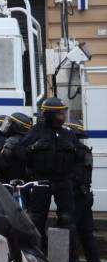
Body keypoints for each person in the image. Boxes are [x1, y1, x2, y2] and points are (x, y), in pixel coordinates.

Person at [19, 97, 81, 253]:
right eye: (60, 113)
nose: (63, 116)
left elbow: (81, 157)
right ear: (50, 115)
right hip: (41, 181)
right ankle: (39, 253)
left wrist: (73, 149)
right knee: (37, 218)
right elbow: (19, 153)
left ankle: (70, 258)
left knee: (67, 218)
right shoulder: (36, 131)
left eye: (64, 113)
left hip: (64, 182)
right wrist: (33, 147)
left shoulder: (68, 133)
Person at [67, 121, 101, 262]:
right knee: (86, 233)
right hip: (85, 195)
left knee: (71, 231)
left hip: (76, 196)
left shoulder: (72, 152)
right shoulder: (85, 150)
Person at [0, 112, 32, 183]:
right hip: (25, 181)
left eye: (9, 123)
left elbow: (1, 165)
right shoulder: (28, 139)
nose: (7, 125)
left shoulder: (12, 141)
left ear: (16, 127)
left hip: (10, 182)